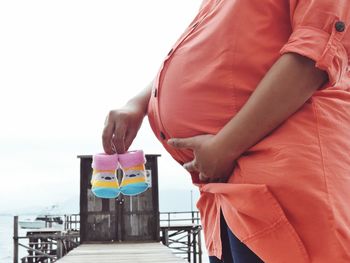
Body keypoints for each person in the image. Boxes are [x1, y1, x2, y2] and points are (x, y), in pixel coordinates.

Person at [102, 0, 350, 262]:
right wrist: (137, 104)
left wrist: (225, 146)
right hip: (224, 192)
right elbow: (209, 52)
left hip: (285, 177)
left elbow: (315, 54)